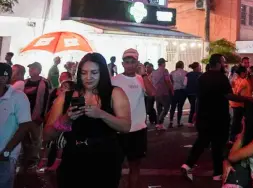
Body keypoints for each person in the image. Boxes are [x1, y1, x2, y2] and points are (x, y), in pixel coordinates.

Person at [44, 52, 131, 188]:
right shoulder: (65, 97)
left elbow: (126, 126)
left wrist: (102, 114)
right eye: (84, 73)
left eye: (94, 72)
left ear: (102, 73)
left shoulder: (115, 93)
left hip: (106, 159)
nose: (88, 77)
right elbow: (47, 134)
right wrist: (66, 119)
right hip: (73, 158)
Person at [182, 54, 233, 182]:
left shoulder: (202, 78)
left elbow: (199, 98)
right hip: (219, 117)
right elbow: (229, 96)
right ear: (217, 63)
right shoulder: (222, 78)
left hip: (204, 117)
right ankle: (217, 173)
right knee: (218, 146)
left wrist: (196, 113)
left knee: (202, 141)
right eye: (223, 62)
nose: (224, 64)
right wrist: (247, 99)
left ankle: (188, 164)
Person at [112, 48, 155, 188]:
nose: (130, 65)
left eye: (133, 62)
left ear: (138, 63)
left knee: (135, 167)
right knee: (114, 168)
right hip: (118, 129)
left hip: (137, 129)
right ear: (122, 63)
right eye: (127, 62)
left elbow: (152, 93)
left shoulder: (141, 79)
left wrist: (144, 75)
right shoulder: (114, 80)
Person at [0, 62, 34, 187]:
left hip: (4, 156)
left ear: (4, 78)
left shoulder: (18, 97)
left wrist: (7, 151)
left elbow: (24, 126)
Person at [21, 62, 50, 169]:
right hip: (23, 116)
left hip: (36, 116)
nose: (30, 70)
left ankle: (33, 159)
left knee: (36, 138)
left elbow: (46, 101)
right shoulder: (25, 82)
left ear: (38, 70)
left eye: (33, 69)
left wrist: (42, 116)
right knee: (23, 137)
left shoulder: (44, 83)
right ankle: (25, 156)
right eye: (30, 69)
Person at [230, 65, 253, 138]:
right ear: (243, 73)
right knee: (238, 121)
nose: (247, 73)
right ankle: (234, 136)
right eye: (246, 72)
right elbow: (238, 92)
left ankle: (233, 137)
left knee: (236, 121)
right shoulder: (243, 81)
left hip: (236, 104)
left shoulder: (236, 80)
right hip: (241, 103)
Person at [151, 58, 173, 130]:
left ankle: (159, 124)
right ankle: (160, 121)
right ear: (163, 63)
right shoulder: (165, 71)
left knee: (159, 109)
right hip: (164, 92)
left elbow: (151, 81)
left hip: (156, 93)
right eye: (164, 63)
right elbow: (168, 81)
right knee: (166, 107)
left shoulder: (154, 72)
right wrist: (172, 89)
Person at [169, 61, 187, 127]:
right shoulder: (185, 73)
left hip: (174, 91)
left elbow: (170, 82)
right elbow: (185, 84)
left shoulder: (172, 73)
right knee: (180, 107)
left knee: (173, 107)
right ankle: (178, 122)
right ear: (182, 65)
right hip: (182, 91)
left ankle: (171, 122)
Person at [185, 62, 202, 126]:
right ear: (197, 67)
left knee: (193, 107)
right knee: (196, 108)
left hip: (189, 93)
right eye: (199, 66)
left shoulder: (188, 74)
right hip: (197, 93)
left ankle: (191, 121)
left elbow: (185, 83)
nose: (200, 67)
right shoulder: (201, 74)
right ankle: (193, 121)